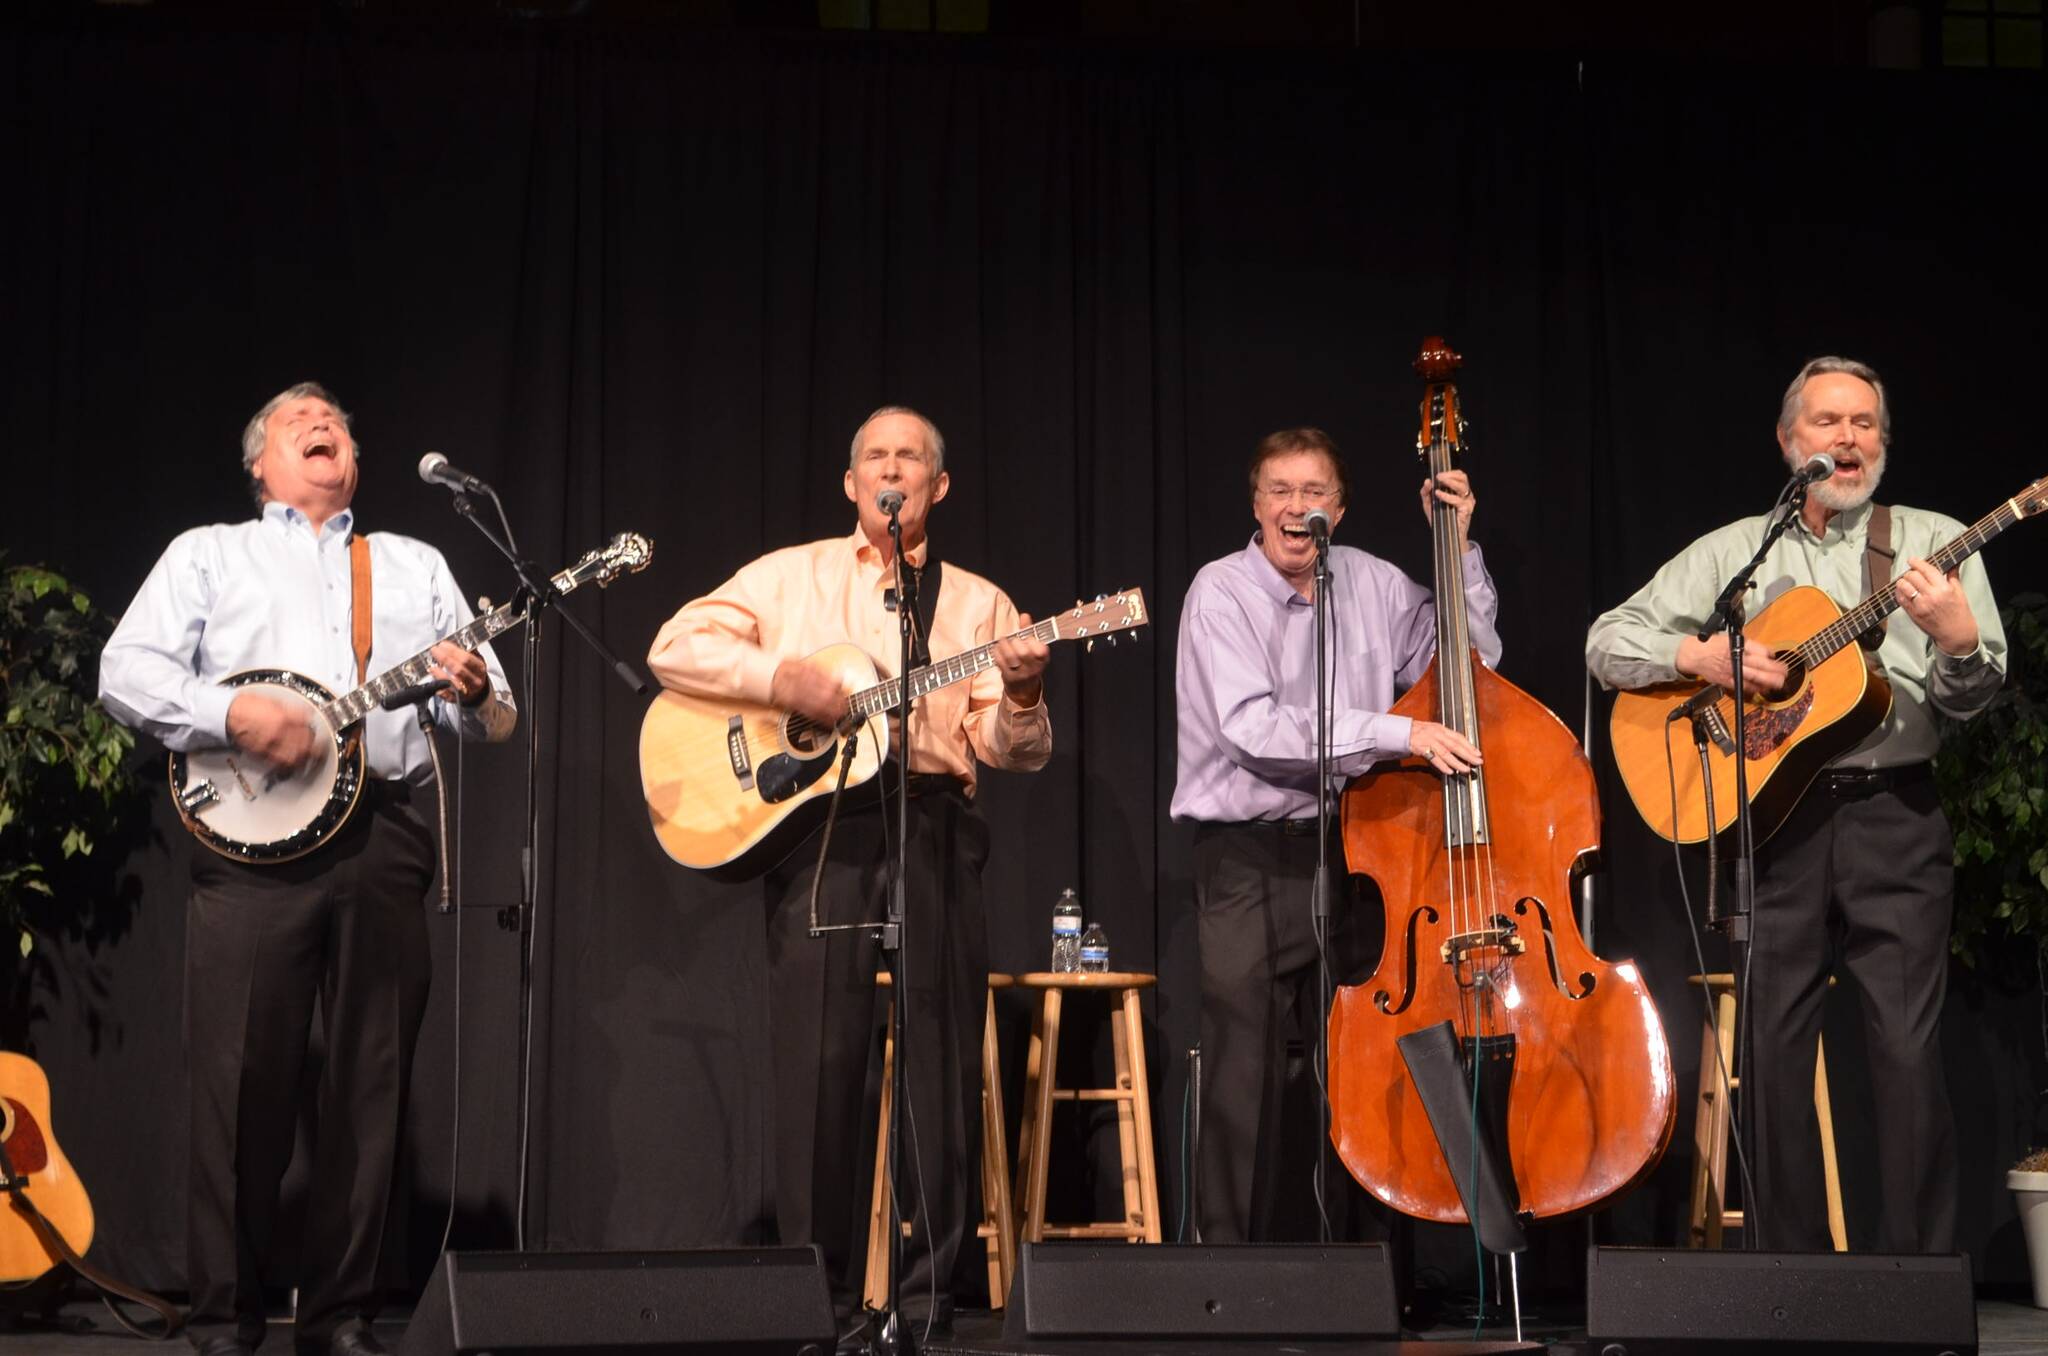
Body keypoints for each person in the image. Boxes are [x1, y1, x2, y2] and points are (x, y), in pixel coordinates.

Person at [99, 383, 516, 1356]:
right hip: (251, 845)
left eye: (335, 420)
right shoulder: (209, 554)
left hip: (385, 830)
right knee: (239, 1085)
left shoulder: (412, 564)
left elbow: (494, 715)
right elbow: (126, 671)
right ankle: (224, 1316)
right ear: (260, 463)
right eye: (297, 420)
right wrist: (232, 715)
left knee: (370, 1087)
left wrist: (470, 687)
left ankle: (340, 1317)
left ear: (354, 460)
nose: (322, 423)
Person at [646, 406, 1050, 1336]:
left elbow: (1012, 749)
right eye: (876, 456)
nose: (891, 470)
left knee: (942, 1057)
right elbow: (672, 646)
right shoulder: (789, 577)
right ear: (851, 482)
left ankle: (927, 1301)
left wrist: (1024, 693)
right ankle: (811, 1300)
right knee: (817, 1062)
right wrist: (781, 682)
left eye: (910, 458)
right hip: (822, 826)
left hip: (934, 820)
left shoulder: (976, 602)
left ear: (938, 487)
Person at [1585, 356, 2005, 1252]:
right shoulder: (1740, 549)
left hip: (1895, 816)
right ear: (1789, 442)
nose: (1848, 439)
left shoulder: (1933, 541)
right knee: (1772, 1050)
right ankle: (1789, 1279)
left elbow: (1970, 702)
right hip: (1775, 821)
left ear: (1883, 442)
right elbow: (1608, 641)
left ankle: (1920, 1278)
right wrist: (1700, 658)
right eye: (1828, 422)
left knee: (1905, 1048)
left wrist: (1960, 644)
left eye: (1865, 424)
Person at [1171, 426, 1499, 1242]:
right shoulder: (1220, 591)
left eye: (1313, 492)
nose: (1296, 507)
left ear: (1339, 509)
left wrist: (1456, 550)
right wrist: (1397, 735)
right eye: (1279, 491)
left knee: (1367, 1063)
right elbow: (1252, 729)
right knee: (1243, 1071)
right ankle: (1224, 1276)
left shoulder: (1375, 582)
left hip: (1358, 848)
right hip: (1248, 857)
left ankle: (1370, 1271)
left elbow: (1468, 670)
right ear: (1256, 505)